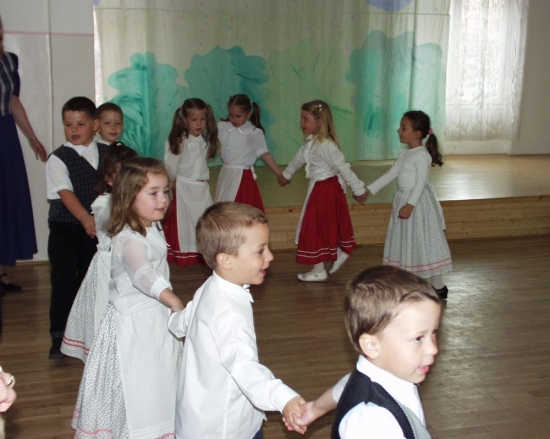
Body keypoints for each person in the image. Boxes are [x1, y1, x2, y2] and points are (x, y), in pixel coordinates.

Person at [169, 202, 307, 439]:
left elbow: (185, 320)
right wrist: (284, 399)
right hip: (225, 428)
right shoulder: (229, 312)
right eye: (260, 250)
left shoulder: (211, 286)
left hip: (199, 418)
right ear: (226, 260)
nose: (270, 256)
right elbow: (245, 367)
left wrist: (173, 319)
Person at [72, 157, 184, 438]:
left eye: (166, 191)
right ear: (129, 197)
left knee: (158, 376)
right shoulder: (129, 238)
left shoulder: (151, 225)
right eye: (153, 193)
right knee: (136, 381)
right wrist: (171, 299)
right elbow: (142, 273)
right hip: (133, 326)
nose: (163, 199)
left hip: (153, 318)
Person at [285, 265, 441, 438]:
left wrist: (315, 408)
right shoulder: (371, 422)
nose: (433, 349)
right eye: (418, 338)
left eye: (434, 332)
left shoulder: (383, 373)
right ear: (372, 346)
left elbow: (347, 385)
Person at [60, 143, 138, 362]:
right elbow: (109, 223)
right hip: (108, 268)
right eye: (122, 177)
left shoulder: (140, 202)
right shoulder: (102, 202)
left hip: (131, 267)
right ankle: (103, 357)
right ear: (110, 180)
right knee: (105, 312)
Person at [46, 96, 109, 359]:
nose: (73, 130)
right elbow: (65, 193)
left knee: (90, 278)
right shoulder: (58, 158)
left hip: (97, 230)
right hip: (66, 228)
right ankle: (59, 334)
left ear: (95, 125)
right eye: (68, 124)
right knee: (63, 279)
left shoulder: (107, 153)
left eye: (80, 124)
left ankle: (89, 331)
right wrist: (84, 217)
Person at [365, 111, 452, 299]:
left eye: (403, 128)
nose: (399, 130)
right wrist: (370, 190)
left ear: (417, 133)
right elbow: (391, 174)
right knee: (409, 243)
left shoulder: (421, 155)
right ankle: (427, 286)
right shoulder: (405, 154)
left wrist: (410, 205)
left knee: (422, 243)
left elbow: (420, 183)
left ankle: (433, 286)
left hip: (417, 205)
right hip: (404, 201)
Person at [279, 100, 367, 282]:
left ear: (319, 121)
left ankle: (321, 269)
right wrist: (286, 175)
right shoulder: (312, 143)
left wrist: (358, 189)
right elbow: (298, 159)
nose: (301, 123)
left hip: (325, 190)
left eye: (305, 119)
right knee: (319, 228)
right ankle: (334, 257)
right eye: (302, 119)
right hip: (319, 189)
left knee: (315, 228)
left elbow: (343, 167)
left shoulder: (326, 145)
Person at [0, 15, 48, 297]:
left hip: (5, 135)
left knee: (6, 200)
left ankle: (1, 270)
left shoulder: (9, 61)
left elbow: (13, 101)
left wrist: (32, 138)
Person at [163, 98, 220, 266]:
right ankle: (184, 252)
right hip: (184, 188)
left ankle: (205, 251)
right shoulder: (179, 142)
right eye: (194, 120)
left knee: (205, 219)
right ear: (184, 120)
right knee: (184, 223)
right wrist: (169, 187)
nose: (199, 124)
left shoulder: (205, 140)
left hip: (201, 188)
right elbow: (170, 167)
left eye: (202, 119)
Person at [215, 94, 285, 213]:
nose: (234, 119)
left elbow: (265, 154)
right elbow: (214, 147)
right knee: (223, 209)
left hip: (242, 178)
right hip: (226, 175)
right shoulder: (221, 127)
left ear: (248, 114)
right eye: (231, 115)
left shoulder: (254, 132)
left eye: (238, 116)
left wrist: (279, 174)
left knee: (240, 210)